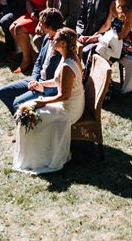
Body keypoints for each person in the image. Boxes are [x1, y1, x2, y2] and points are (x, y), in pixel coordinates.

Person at [13, 28, 85, 175]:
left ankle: (39, 157)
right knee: (27, 107)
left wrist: (43, 102)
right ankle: (37, 152)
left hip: (69, 109)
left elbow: (64, 95)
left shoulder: (67, 64)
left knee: (31, 113)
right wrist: (41, 85)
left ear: (63, 43)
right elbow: (58, 81)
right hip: (70, 103)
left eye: (56, 39)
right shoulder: (68, 57)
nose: (52, 41)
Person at [0, 9, 66, 113]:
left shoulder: (62, 45)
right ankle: (23, 121)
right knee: (3, 92)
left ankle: (25, 121)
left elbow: (60, 80)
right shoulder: (46, 38)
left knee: (17, 103)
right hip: (37, 80)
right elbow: (38, 62)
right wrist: (34, 79)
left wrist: (42, 87)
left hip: (48, 87)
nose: (38, 25)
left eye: (41, 23)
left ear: (49, 26)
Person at [9, 0, 58, 74]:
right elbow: (28, 0)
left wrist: (41, 21)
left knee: (19, 28)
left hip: (43, 17)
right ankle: (32, 55)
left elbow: (48, 7)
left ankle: (26, 60)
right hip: (32, 13)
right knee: (12, 27)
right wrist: (31, 13)